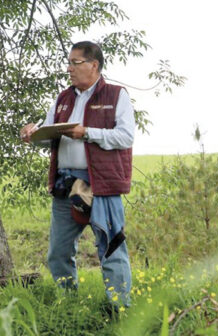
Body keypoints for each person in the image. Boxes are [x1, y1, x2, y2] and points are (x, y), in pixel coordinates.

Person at [20, 41, 134, 310]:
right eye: (69, 62)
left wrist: (87, 133)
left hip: (101, 184)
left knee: (111, 250)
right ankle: (68, 305)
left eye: (75, 62)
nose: (69, 68)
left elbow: (126, 136)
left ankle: (121, 310)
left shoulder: (116, 95)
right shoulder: (63, 98)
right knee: (58, 253)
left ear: (93, 65)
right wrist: (31, 135)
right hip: (65, 184)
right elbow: (49, 135)